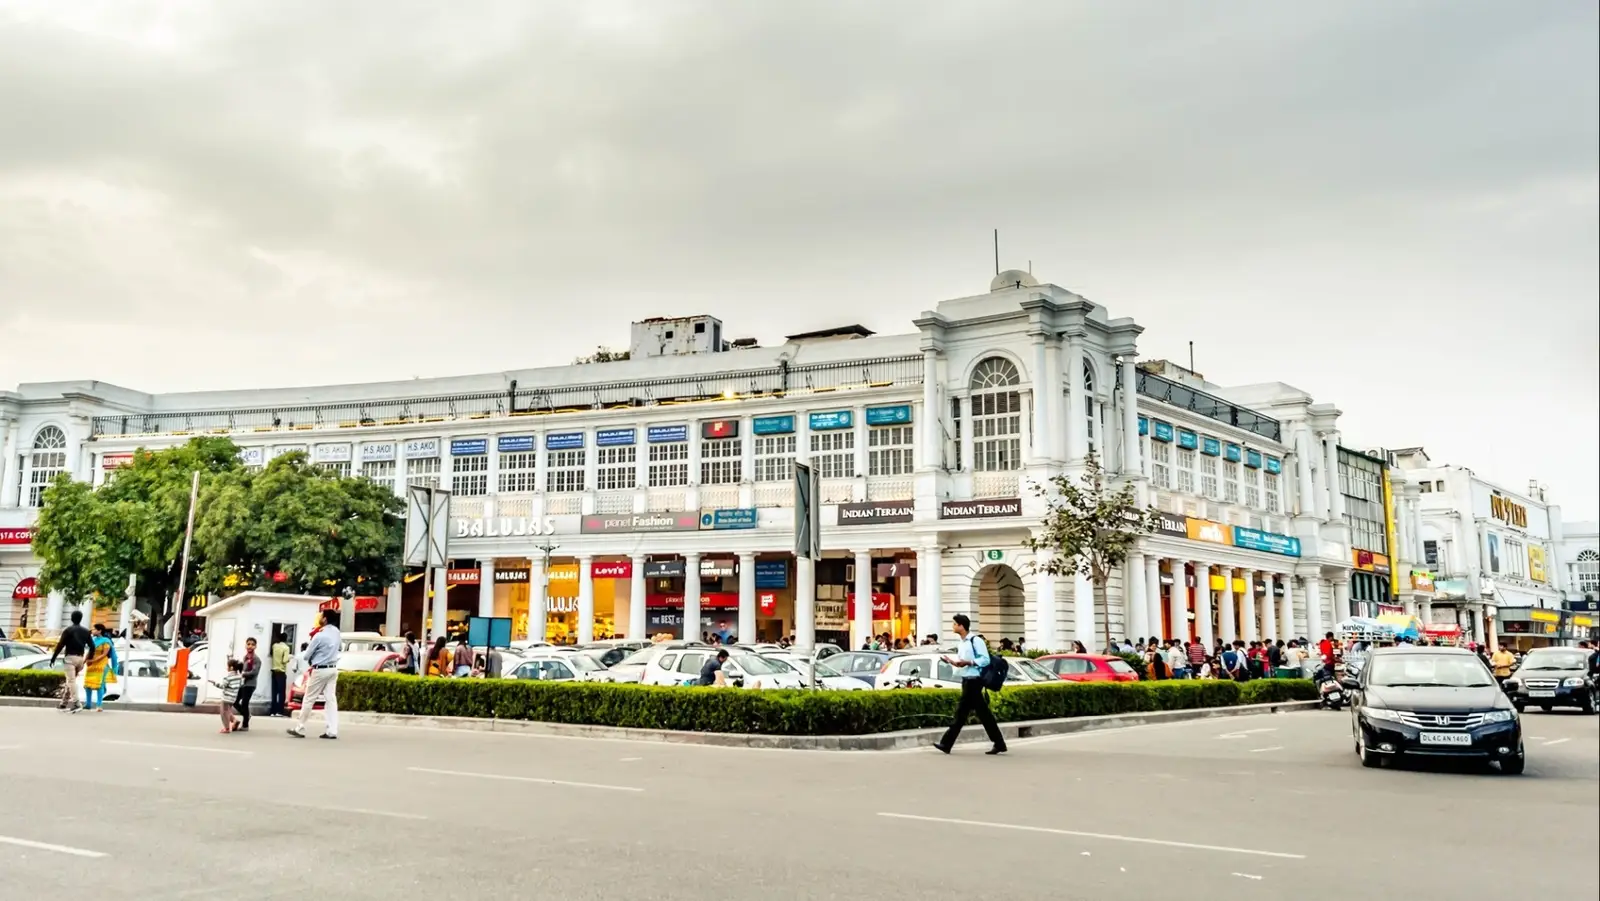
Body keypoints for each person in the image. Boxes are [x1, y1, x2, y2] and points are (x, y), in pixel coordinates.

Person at [934, 614, 1006, 756]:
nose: (953, 626)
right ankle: (999, 743)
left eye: (955, 624)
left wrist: (968, 662)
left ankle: (946, 743)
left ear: (961, 626)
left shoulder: (975, 640)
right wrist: (954, 663)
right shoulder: (962, 643)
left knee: (961, 714)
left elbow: (984, 660)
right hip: (966, 679)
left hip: (975, 681)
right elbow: (964, 662)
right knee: (982, 714)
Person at [288, 609, 341, 740]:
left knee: (309, 699)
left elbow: (306, 656)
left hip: (320, 670)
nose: (319, 619)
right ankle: (332, 730)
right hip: (333, 669)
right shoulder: (337, 633)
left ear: (325, 619)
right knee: (331, 700)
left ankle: (300, 727)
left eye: (321, 616)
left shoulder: (319, 635)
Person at [50, 611, 96, 713]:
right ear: (81, 618)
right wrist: (89, 659)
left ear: (71, 618)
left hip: (70, 658)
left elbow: (60, 645)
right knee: (70, 680)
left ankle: (76, 703)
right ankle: (64, 703)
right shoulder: (86, 631)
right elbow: (92, 646)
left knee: (71, 681)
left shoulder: (68, 630)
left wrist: (53, 658)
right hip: (80, 659)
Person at [81, 625, 120, 712]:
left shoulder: (106, 641)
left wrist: (94, 660)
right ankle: (88, 704)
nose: (92, 630)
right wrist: (83, 663)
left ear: (100, 631)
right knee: (88, 685)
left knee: (100, 685)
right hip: (91, 665)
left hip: (101, 665)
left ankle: (99, 705)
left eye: (94, 629)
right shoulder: (93, 640)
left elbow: (104, 654)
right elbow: (89, 652)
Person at [235, 637, 261, 731]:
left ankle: (245, 725)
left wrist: (244, 674)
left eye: (252, 644)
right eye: (248, 644)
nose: (250, 646)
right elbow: (244, 669)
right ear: (245, 645)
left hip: (250, 684)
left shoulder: (256, 659)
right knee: (235, 701)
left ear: (255, 646)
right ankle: (247, 715)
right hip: (243, 684)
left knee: (245, 703)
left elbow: (254, 672)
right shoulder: (245, 657)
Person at [214, 659, 244, 734]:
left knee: (223, 713)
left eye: (227, 666)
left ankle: (227, 728)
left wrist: (215, 683)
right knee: (228, 711)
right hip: (233, 698)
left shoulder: (228, 677)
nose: (226, 668)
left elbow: (222, 686)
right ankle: (234, 720)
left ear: (231, 668)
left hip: (226, 698)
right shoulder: (239, 677)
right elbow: (241, 685)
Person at [269, 632, 291, 716]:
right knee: (281, 692)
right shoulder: (286, 648)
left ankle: (272, 711)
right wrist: (289, 659)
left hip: (274, 671)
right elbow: (284, 660)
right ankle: (279, 711)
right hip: (281, 672)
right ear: (286, 639)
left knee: (274, 692)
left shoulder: (274, 646)